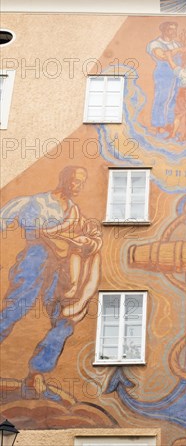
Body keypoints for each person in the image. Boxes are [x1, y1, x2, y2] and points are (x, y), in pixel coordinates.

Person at [0, 166, 102, 389]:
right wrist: (62, 240)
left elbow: (89, 235)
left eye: (82, 183)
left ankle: (37, 372)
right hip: (34, 262)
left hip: (61, 271)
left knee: (65, 318)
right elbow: (35, 230)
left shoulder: (74, 211)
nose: (79, 186)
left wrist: (88, 242)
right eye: (75, 181)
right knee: (14, 309)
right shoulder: (40, 202)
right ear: (64, 179)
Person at [147, 22, 186, 133]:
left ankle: (170, 123)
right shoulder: (155, 43)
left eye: (175, 29)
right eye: (171, 29)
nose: (174, 32)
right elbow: (162, 56)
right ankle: (159, 125)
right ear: (164, 30)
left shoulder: (176, 44)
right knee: (162, 98)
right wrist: (178, 51)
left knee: (175, 98)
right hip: (164, 73)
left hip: (177, 73)